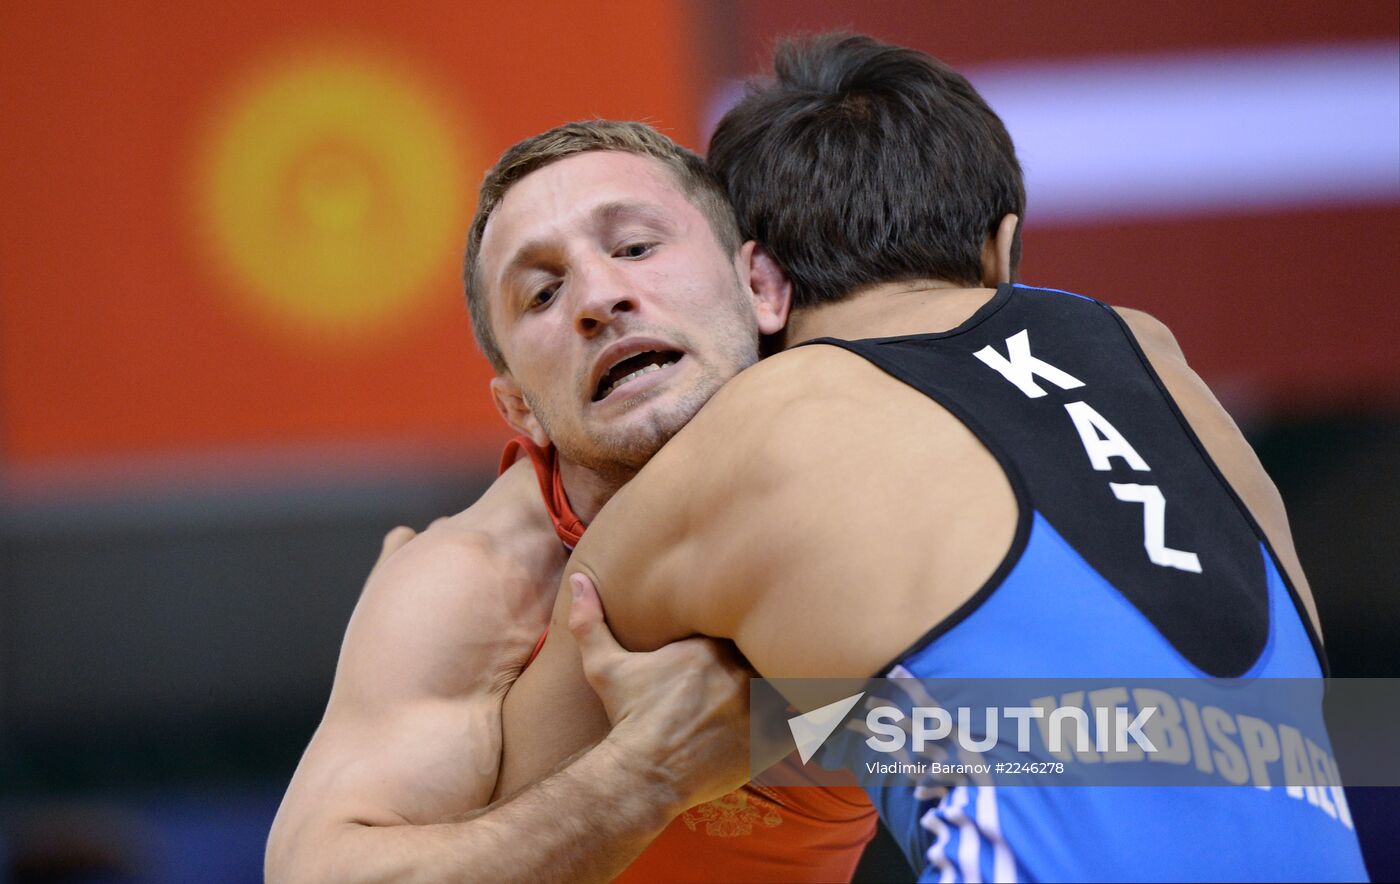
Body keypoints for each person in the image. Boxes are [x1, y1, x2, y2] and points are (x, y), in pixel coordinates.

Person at [497, 34, 1370, 882]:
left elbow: (507, 803)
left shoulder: (755, 428)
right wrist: (792, 725)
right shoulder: (1157, 357)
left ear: (758, 284)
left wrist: (675, 754)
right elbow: (1137, 737)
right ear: (1000, 249)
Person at [266, 121, 876, 884]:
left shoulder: (882, 466)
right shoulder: (473, 583)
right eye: (543, 293)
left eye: (634, 248)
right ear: (520, 408)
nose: (598, 297)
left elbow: (1064, 739)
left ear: (759, 286)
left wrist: (856, 722)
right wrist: (646, 774)